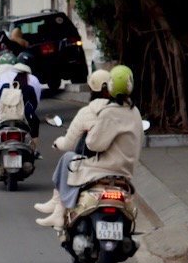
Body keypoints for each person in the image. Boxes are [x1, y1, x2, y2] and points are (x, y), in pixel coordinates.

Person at [36, 65, 143, 229]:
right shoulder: (134, 112)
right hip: (126, 170)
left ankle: (59, 208)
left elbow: (94, 144)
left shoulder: (108, 112)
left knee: (70, 161)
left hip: (103, 168)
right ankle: (58, 207)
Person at [33, 69, 112, 215]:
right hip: (122, 167)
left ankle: (58, 206)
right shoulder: (126, 112)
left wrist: (58, 143)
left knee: (68, 158)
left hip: (94, 164)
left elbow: (69, 143)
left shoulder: (88, 112)